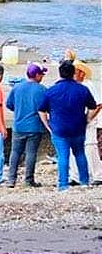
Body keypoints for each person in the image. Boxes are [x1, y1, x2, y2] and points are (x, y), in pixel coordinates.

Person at [38, 60, 98, 191]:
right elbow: (93, 107)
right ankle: (84, 181)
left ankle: (63, 184)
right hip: (78, 127)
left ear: (60, 73)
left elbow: (41, 110)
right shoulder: (83, 89)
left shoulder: (51, 90)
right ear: (73, 74)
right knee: (80, 154)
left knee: (63, 156)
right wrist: (87, 119)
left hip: (59, 129)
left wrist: (47, 125)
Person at [5, 63, 48, 187]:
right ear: (36, 75)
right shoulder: (42, 90)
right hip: (34, 127)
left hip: (18, 125)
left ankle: (11, 180)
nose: (43, 76)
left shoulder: (17, 88)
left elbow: (9, 104)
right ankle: (28, 180)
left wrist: (19, 109)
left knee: (15, 152)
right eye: (42, 74)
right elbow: (46, 108)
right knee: (31, 153)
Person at [68, 62, 102, 185]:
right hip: (76, 121)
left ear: (81, 73)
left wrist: (88, 118)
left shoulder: (88, 85)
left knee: (90, 147)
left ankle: (97, 175)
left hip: (88, 121)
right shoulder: (74, 86)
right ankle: (75, 175)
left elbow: (98, 104)